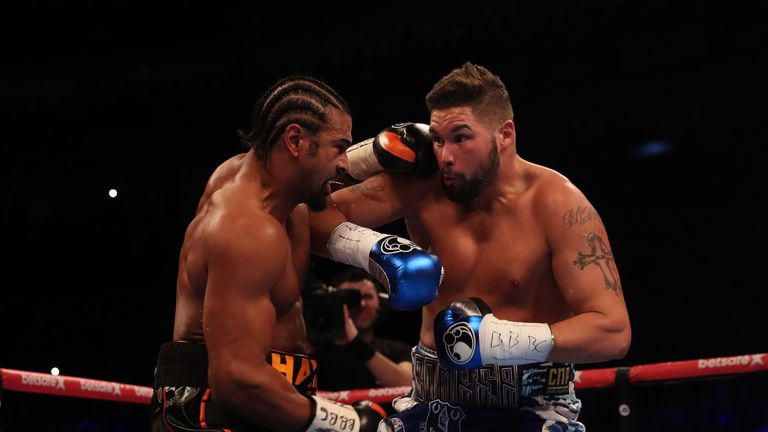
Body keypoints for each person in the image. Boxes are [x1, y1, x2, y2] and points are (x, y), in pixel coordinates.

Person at [309, 62, 631, 431]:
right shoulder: (425, 184)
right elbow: (306, 217)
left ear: (505, 134)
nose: (445, 155)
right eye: (438, 138)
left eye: (461, 138)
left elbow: (613, 331)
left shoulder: (558, 205)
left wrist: (498, 340)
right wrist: (369, 225)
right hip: (430, 406)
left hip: (532, 411)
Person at [150, 75, 443, 432]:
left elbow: (326, 182)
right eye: (339, 147)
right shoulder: (247, 230)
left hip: (267, 393)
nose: (344, 162)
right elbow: (236, 378)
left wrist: (377, 153)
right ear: (294, 141)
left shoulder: (273, 188)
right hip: (215, 407)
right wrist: (348, 423)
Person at [312, 268, 413, 391]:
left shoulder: (398, 350)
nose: (362, 304)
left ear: (379, 302)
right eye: (352, 298)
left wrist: (357, 343)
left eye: (367, 297)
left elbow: (408, 385)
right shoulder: (316, 350)